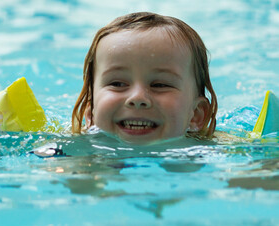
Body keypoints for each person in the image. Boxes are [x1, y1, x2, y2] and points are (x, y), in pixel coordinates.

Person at [71, 12, 218, 145]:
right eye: (117, 84)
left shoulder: (216, 155)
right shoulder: (73, 152)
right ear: (91, 111)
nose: (137, 98)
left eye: (160, 85)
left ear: (196, 115)